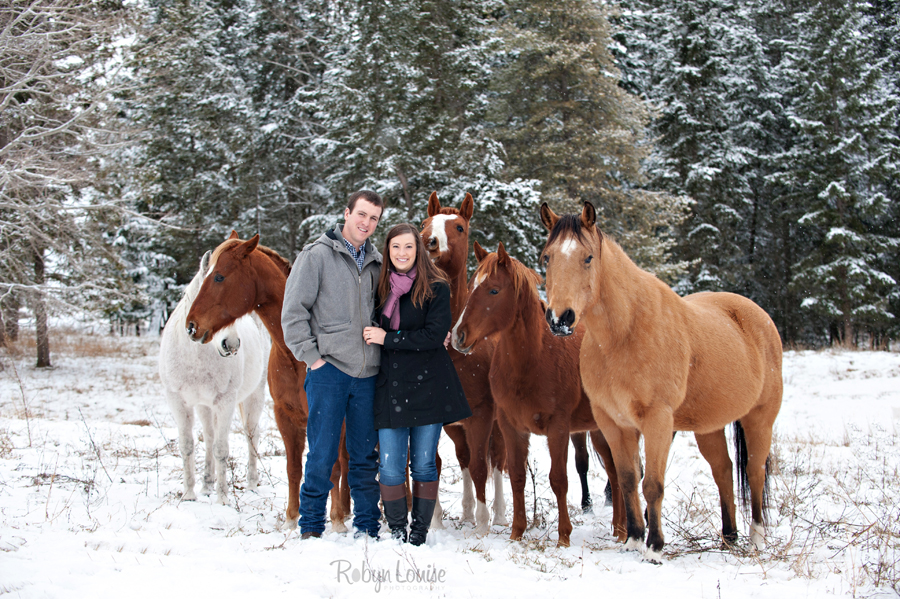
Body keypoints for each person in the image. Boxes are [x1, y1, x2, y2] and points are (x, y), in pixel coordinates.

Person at [282, 190, 384, 540]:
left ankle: (367, 527)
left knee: (364, 458)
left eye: (373, 218)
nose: (366, 223)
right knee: (323, 453)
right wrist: (313, 359)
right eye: (362, 214)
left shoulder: (377, 262)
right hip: (329, 373)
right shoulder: (315, 257)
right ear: (347, 212)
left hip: (368, 374)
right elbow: (293, 314)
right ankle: (311, 527)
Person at [363, 223, 471, 545]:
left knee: (424, 463)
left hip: (429, 386)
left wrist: (388, 338)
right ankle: (397, 530)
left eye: (408, 247)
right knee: (391, 465)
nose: (402, 253)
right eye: (395, 247)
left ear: (418, 249)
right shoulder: (379, 288)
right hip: (390, 385)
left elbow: (434, 336)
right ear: (388, 250)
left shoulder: (436, 286)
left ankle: (419, 532)